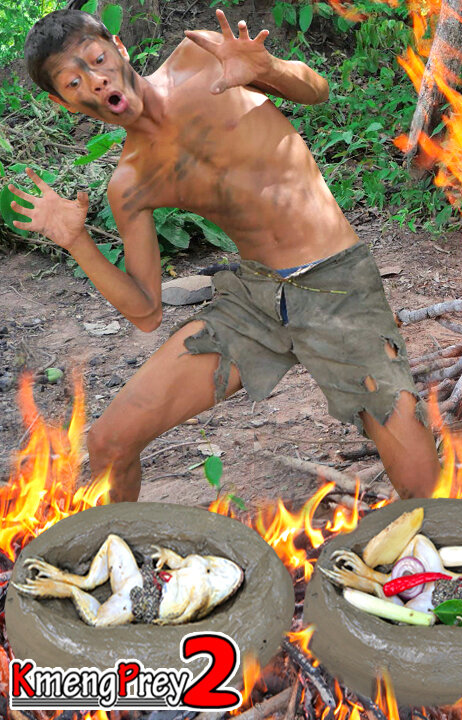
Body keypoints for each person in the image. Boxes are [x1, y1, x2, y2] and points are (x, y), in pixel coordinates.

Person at [8, 3, 440, 503]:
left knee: (423, 490)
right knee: (109, 442)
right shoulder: (129, 183)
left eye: (97, 59)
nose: (95, 82)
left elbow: (317, 92)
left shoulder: (201, 57)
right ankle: (123, 566)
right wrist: (77, 242)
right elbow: (146, 310)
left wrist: (267, 69)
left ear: (119, 49)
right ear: (65, 104)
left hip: (336, 284)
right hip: (253, 300)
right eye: (73, 83)